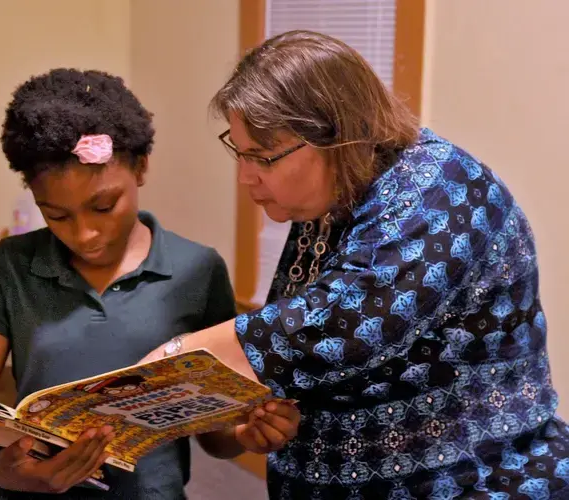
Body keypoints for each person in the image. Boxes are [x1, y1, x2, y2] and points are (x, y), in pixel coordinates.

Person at [141, 30, 569, 499]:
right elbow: (311, 359)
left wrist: (164, 365)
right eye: (240, 154)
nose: (246, 177)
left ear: (336, 137)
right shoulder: (335, 198)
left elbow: (330, 326)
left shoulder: (440, 194)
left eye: (262, 157)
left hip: (471, 484)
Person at [0, 68, 299, 499]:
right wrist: (13, 476)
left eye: (104, 206)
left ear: (141, 167)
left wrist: (248, 430)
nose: (84, 233)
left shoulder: (197, 271)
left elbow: (215, 436)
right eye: (56, 215)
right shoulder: (11, 268)